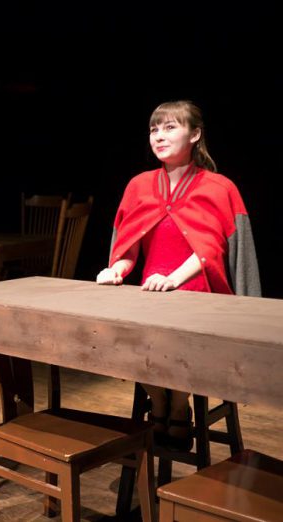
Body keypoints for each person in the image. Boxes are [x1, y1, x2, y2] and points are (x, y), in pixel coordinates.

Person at [96, 100, 261, 450]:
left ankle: (180, 404)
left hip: (200, 292)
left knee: (178, 336)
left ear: (195, 134)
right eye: (154, 129)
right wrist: (117, 269)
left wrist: (174, 279)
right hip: (152, 292)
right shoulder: (139, 185)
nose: (159, 136)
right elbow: (130, 244)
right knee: (131, 337)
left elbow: (210, 248)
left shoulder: (218, 186)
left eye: (170, 127)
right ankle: (159, 403)